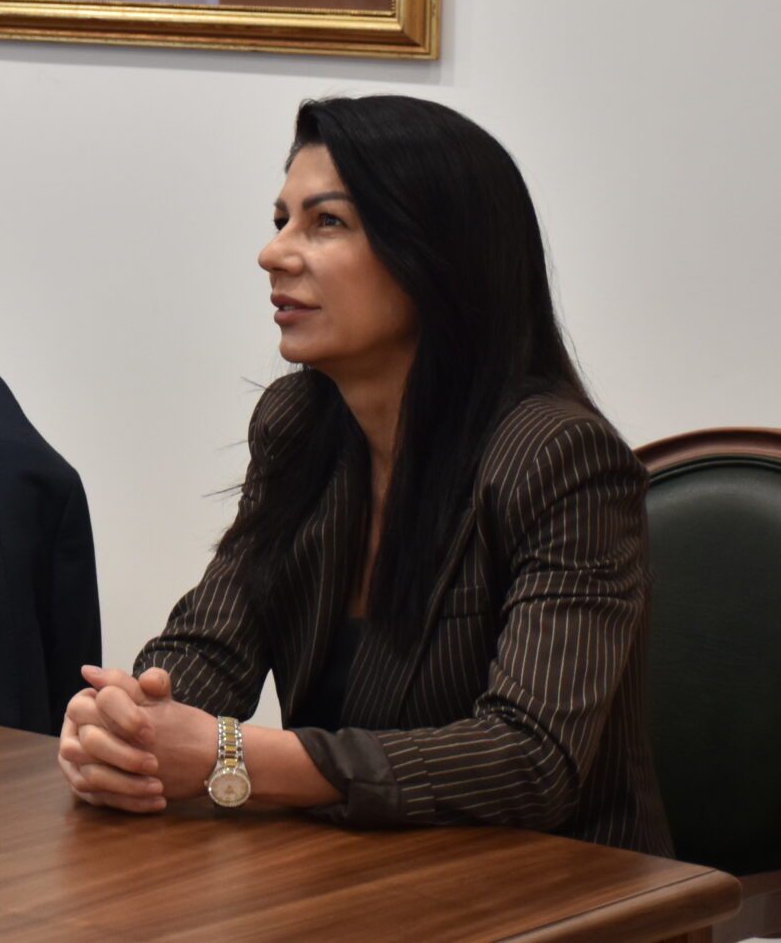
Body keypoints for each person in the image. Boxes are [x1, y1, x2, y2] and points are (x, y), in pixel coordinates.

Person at [57, 96, 670, 852]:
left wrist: (233, 756)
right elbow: (215, 643)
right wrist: (129, 723)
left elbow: (530, 758)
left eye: (326, 223)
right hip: (350, 866)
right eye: (281, 219)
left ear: (435, 256)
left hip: (558, 882)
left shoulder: (559, 459)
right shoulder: (298, 425)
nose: (274, 253)